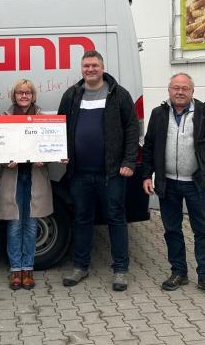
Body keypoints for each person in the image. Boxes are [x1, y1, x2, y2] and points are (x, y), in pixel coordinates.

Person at [57, 50, 139, 291]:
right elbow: (59, 126)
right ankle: (80, 267)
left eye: (94, 65)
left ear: (102, 67)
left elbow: (132, 130)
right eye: (86, 66)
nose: (90, 69)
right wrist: (59, 152)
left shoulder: (119, 95)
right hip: (79, 172)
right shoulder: (72, 95)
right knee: (82, 219)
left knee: (116, 219)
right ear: (81, 69)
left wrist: (129, 162)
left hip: (111, 173)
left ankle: (121, 270)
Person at [142, 73, 205, 297]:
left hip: (195, 184)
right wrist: (146, 175)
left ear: (192, 92)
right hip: (167, 183)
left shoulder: (203, 113)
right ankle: (178, 272)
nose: (180, 92)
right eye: (176, 88)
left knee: (202, 230)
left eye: (185, 88)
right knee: (172, 229)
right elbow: (149, 145)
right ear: (169, 90)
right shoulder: (158, 114)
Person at [0, 79, 54, 290]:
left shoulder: (43, 119)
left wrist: (45, 158)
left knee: (30, 225)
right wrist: (5, 159)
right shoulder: (3, 118)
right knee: (14, 224)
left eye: (28, 93)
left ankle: (28, 269)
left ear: (33, 95)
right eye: (20, 92)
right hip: (13, 177)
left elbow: (51, 146)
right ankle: (15, 270)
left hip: (34, 176)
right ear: (14, 95)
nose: (24, 96)